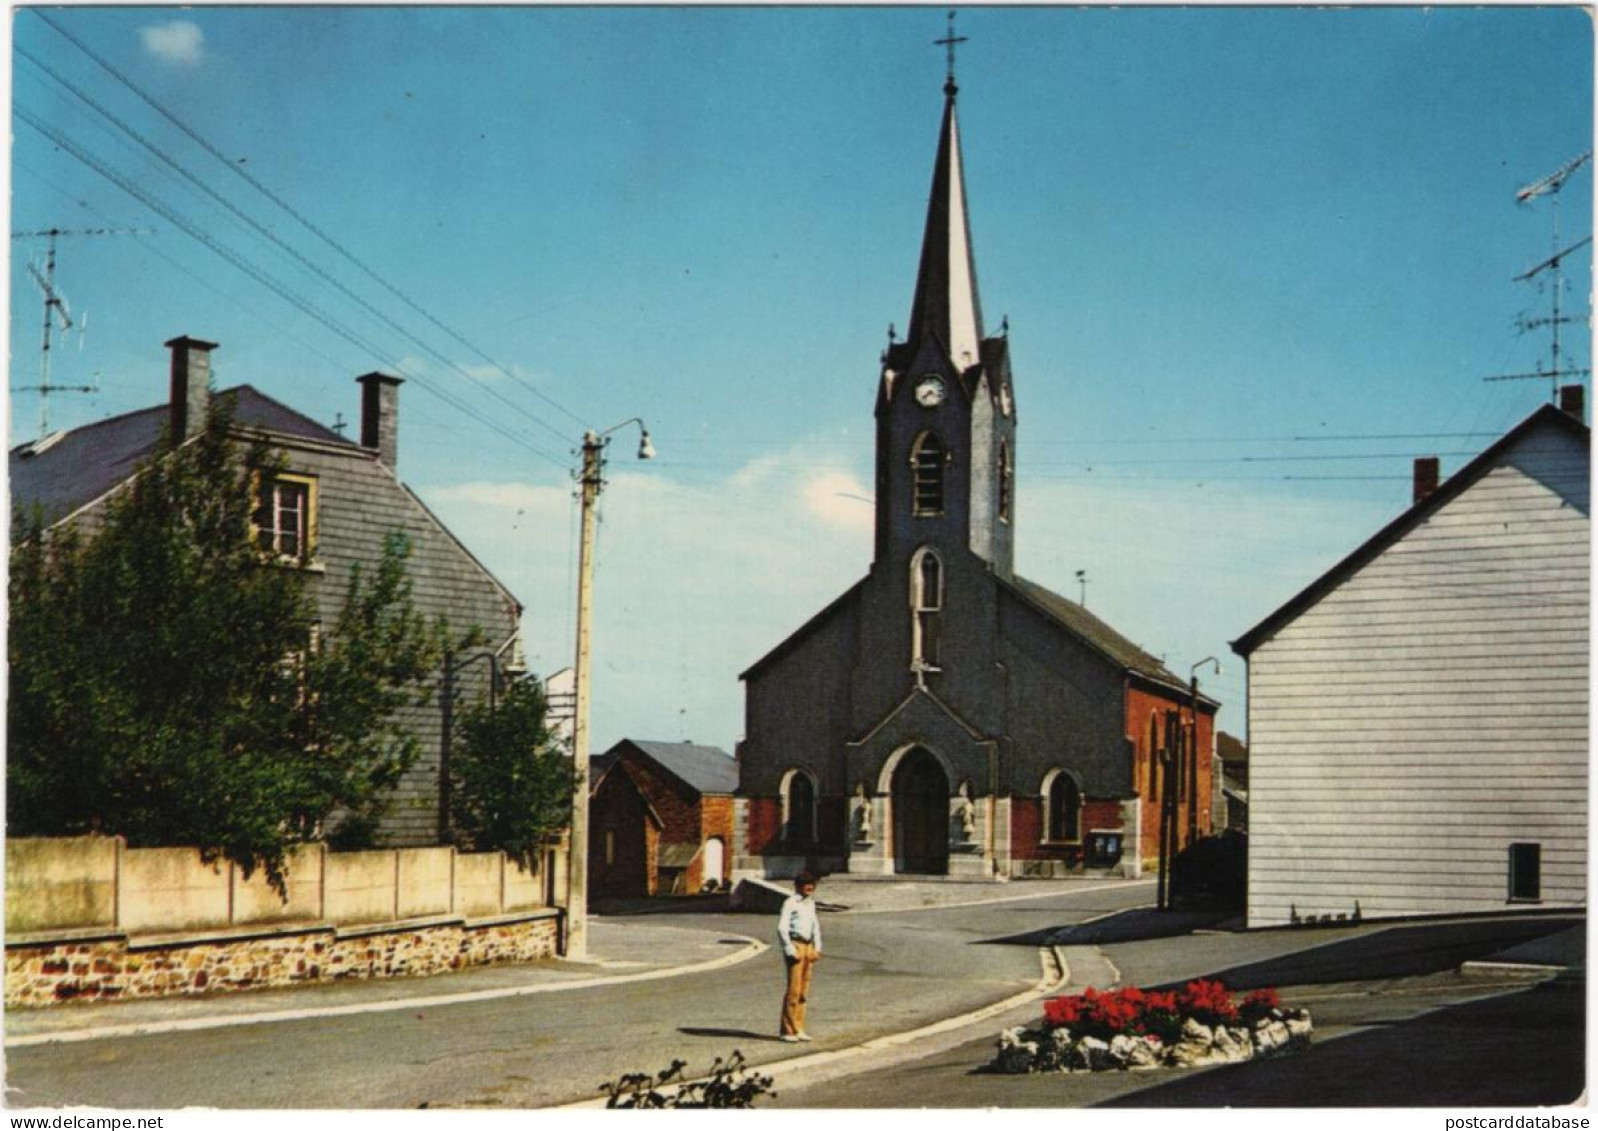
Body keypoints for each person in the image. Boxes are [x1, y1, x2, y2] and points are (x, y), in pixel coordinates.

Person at [777, 871, 822, 1042]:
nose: (810, 887)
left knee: (804, 990)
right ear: (798, 886)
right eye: (806, 884)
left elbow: (815, 926)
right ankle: (787, 1030)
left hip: (808, 945)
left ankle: (799, 1027)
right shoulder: (790, 903)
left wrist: (817, 947)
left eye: (812, 884)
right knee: (794, 990)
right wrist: (789, 949)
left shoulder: (810, 903)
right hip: (796, 944)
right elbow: (782, 928)